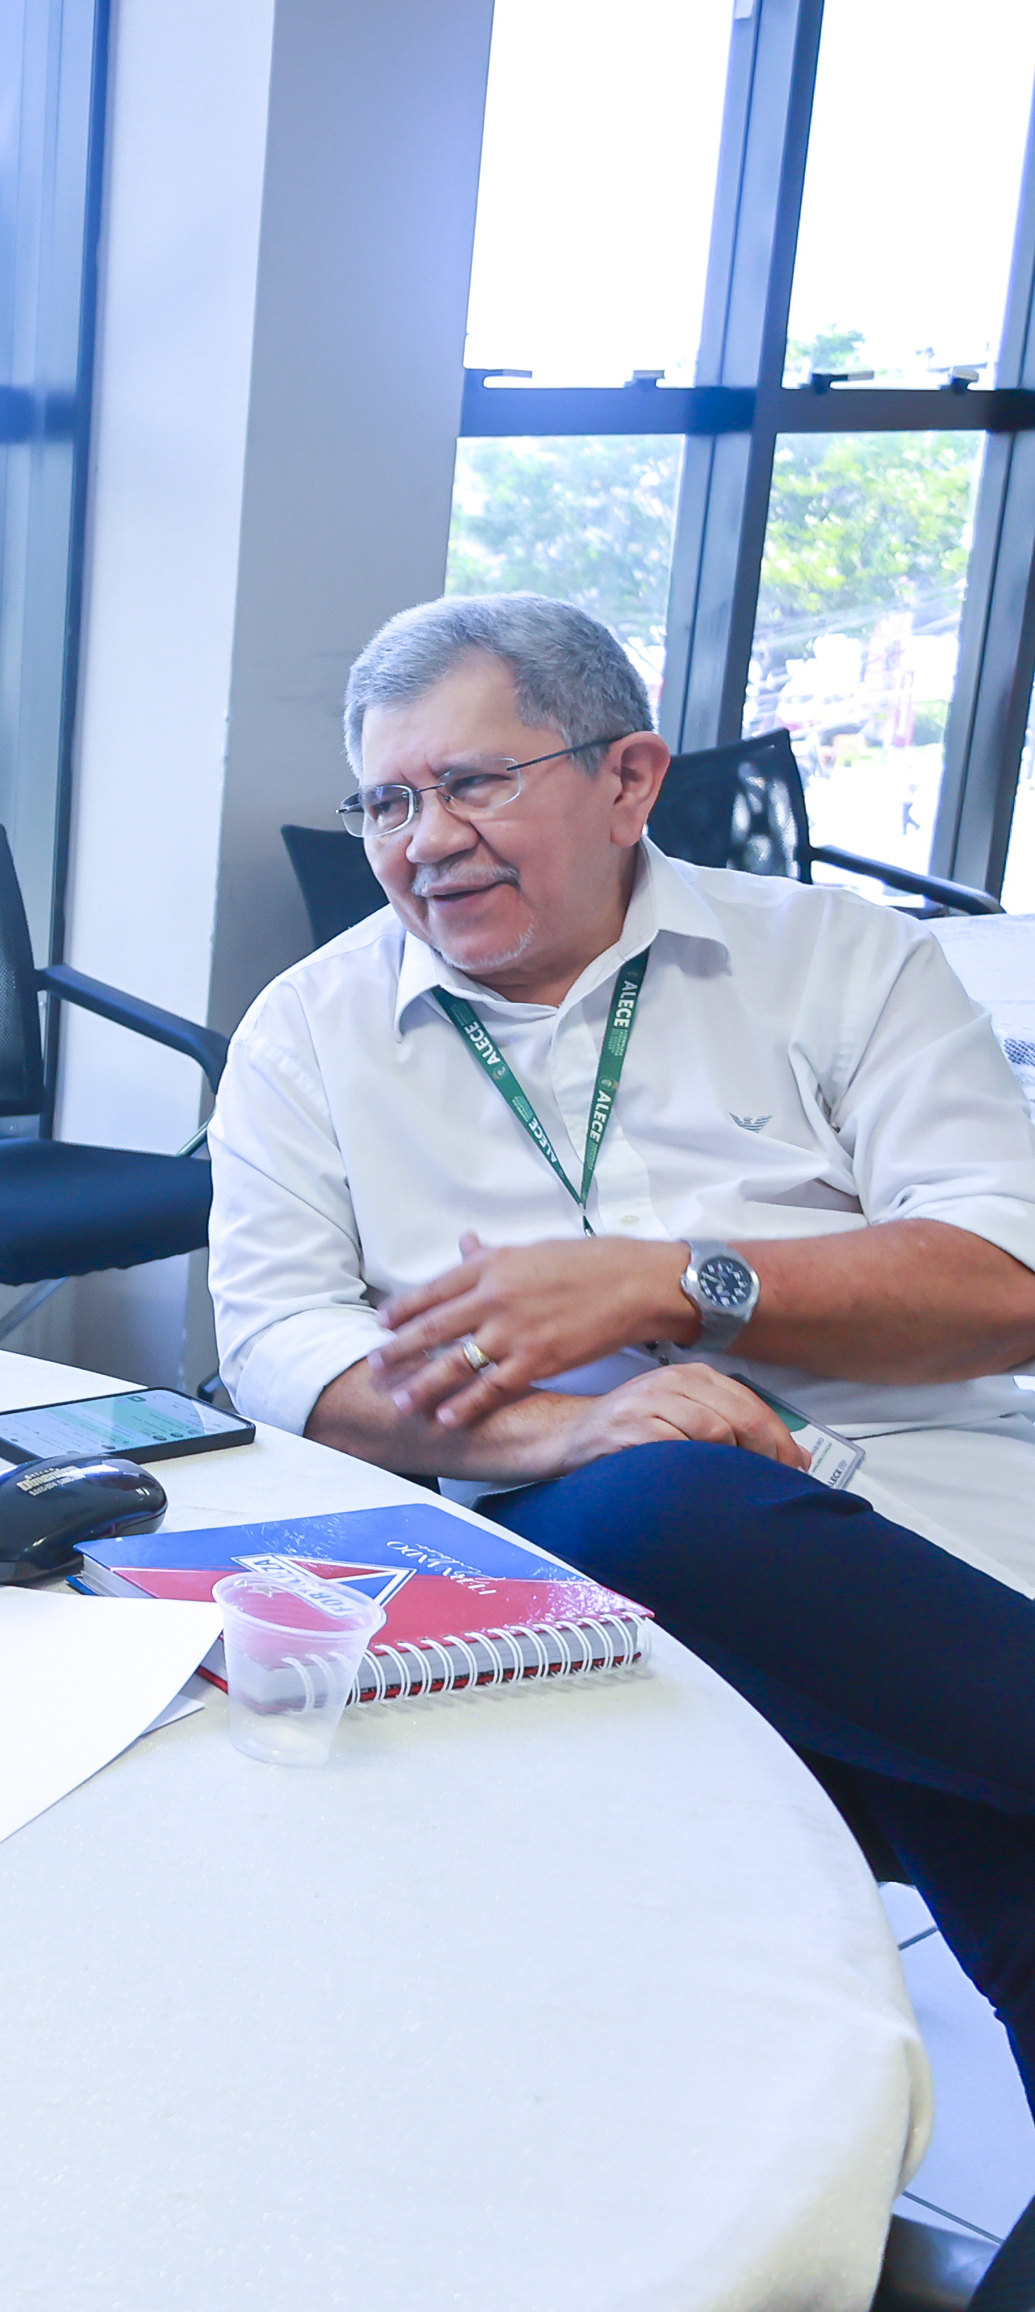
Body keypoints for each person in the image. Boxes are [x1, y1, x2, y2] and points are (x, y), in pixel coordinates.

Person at [208, 589, 1035, 2095]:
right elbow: (279, 1345)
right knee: (662, 1499)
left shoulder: (841, 961)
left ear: (628, 779)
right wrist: (571, 1427)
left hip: (940, 1517)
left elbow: (1004, 1278)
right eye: (388, 802)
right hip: (596, 1537)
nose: (425, 840)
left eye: (473, 781)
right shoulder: (308, 1031)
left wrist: (672, 1285)